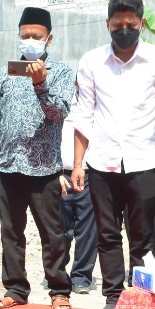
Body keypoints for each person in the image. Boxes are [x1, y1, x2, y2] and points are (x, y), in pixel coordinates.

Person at [68, 0, 155, 309]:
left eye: (131, 24)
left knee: (143, 235)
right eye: (117, 25)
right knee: (107, 234)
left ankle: (140, 297)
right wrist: (78, 164)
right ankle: (114, 297)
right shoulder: (92, 62)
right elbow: (83, 114)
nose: (124, 30)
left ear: (142, 23)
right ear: (107, 24)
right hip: (101, 161)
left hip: (144, 160)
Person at [0, 6, 76, 309]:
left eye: (37, 36)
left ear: (49, 39)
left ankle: (59, 289)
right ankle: (16, 288)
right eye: (25, 35)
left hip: (44, 168)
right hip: (9, 166)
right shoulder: (5, 73)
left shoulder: (61, 72)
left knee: (52, 234)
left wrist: (40, 85)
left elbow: (59, 112)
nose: (30, 40)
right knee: (11, 232)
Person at [59, 116, 96, 294]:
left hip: (90, 174)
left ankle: (81, 277)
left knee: (88, 230)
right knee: (61, 229)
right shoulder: (59, 104)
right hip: (60, 174)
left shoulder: (95, 105)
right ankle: (58, 273)